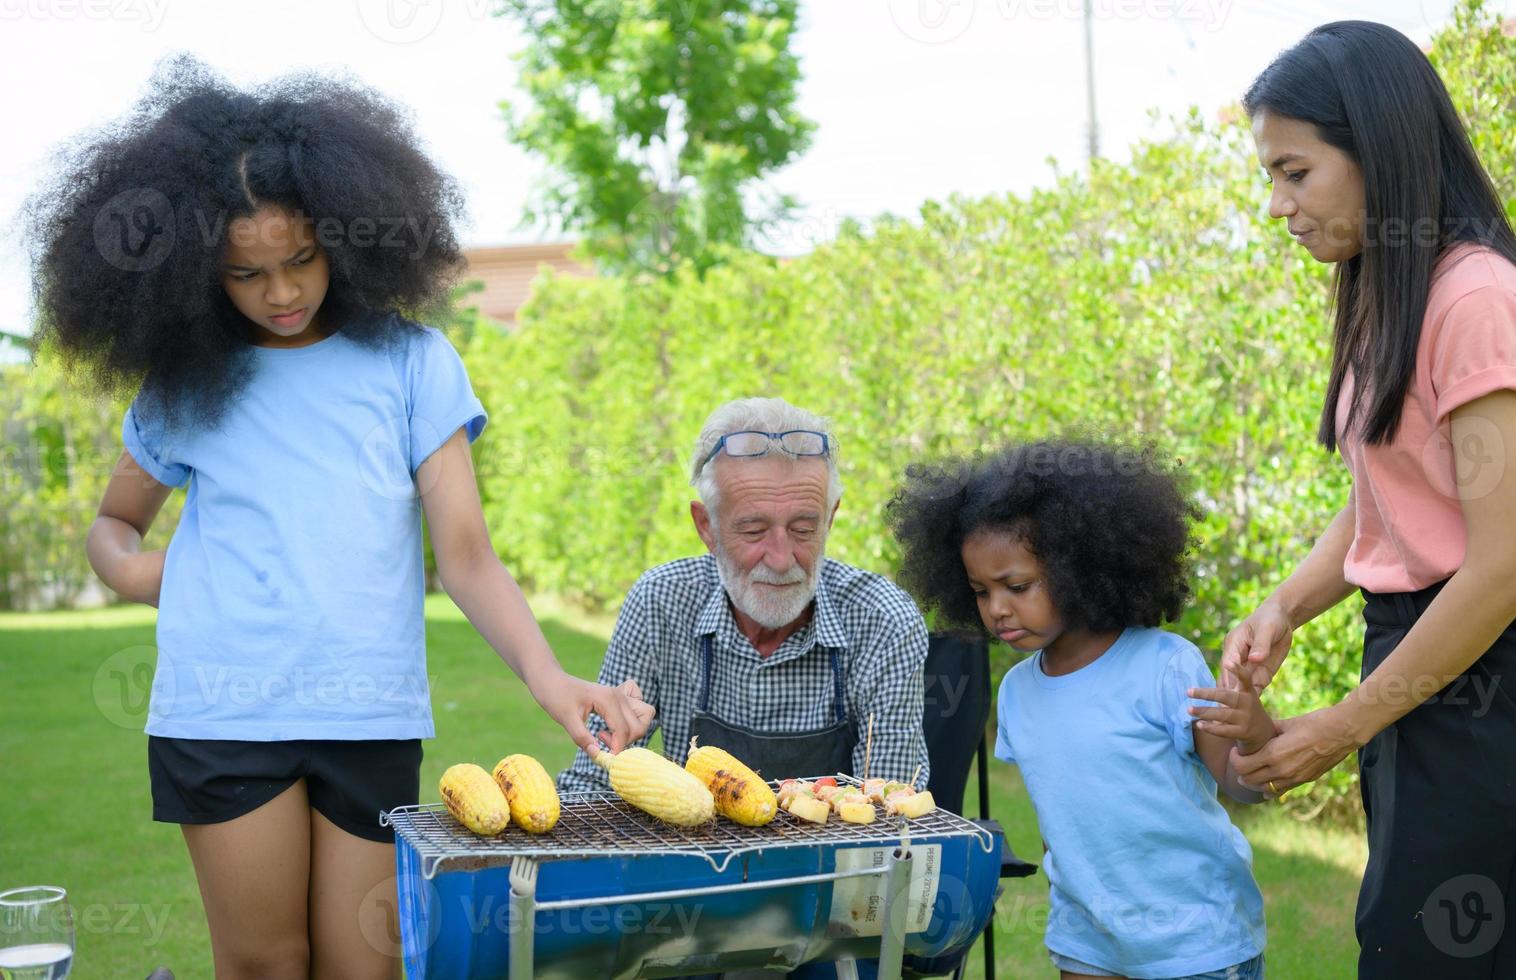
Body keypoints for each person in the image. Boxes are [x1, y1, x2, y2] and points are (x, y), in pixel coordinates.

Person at [24, 56, 651, 980]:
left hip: (370, 712)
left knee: (368, 967)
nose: (281, 293)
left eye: (302, 260)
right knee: (266, 966)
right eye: (246, 273)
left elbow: (468, 560)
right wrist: (142, 574)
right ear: (202, 271)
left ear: (343, 238)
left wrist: (555, 683)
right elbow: (112, 527)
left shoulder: (413, 365)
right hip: (221, 712)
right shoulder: (183, 385)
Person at [1225, 20, 1516, 977]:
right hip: (1421, 663)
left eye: (1295, 172)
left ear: (1378, 150)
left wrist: (1345, 722)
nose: (1278, 205)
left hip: (1483, 673)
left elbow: (1503, 564)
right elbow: (1388, 490)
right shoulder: (1393, 291)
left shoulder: (1474, 298)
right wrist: (1287, 607)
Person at [889, 440, 1271, 980]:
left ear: (1080, 566)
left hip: (1196, 941)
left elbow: (1243, 786)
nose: (997, 608)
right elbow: (1061, 818)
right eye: (980, 591)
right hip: (1087, 941)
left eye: (1017, 586)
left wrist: (1256, 735)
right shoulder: (1018, 692)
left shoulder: (1164, 665)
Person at [558, 396, 931, 796]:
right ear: (707, 527)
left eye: (804, 529)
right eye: (753, 530)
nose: (781, 558)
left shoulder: (883, 619)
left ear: (831, 518)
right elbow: (593, 782)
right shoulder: (660, 602)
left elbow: (888, 812)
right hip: (694, 857)